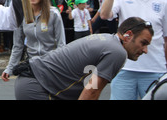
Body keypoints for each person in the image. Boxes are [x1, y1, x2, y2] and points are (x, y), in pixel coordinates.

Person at [14, 17, 153, 100]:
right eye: (143, 43)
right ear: (128, 35)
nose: (145, 50)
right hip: (37, 87)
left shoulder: (108, 40)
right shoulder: (118, 52)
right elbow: (91, 91)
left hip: (31, 81)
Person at [100, 0, 167, 100]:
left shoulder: (162, 3)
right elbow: (104, 15)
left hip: (155, 69)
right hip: (124, 68)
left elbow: (165, 38)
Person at [2, 0, 66, 82]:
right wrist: (9, 68)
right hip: (32, 64)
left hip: (51, 64)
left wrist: (61, 66)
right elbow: (18, 45)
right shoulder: (22, 14)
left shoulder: (54, 14)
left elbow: (61, 44)